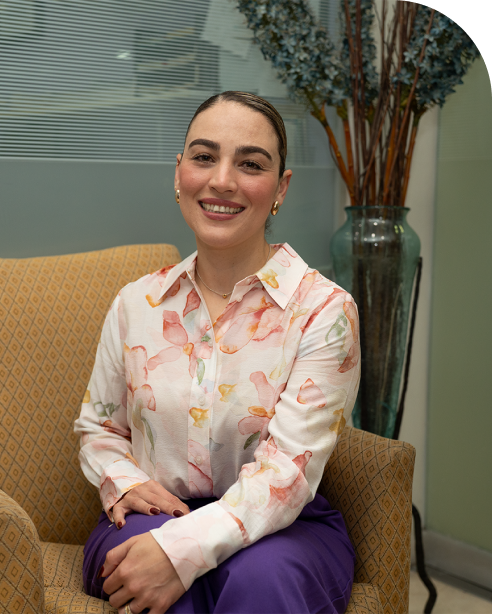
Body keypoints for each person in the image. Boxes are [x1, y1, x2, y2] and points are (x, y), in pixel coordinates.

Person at [75, 91, 360, 614]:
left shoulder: (324, 312)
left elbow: (287, 475)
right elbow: (99, 428)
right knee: (143, 571)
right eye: (204, 157)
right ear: (179, 171)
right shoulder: (136, 303)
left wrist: (182, 550)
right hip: (151, 515)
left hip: (283, 526)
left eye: (250, 164)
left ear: (281, 187)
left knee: (260, 580)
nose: (223, 180)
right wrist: (124, 482)